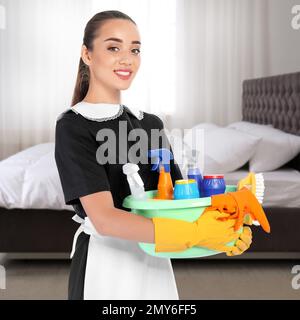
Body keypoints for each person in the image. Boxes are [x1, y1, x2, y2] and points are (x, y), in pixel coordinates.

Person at [54, 10, 252, 300]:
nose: (127, 58)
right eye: (113, 47)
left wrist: (228, 226)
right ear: (87, 54)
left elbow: (178, 204)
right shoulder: (74, 126)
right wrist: (196, 234)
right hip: (106, 267)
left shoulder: (151, 124)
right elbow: (105, 219)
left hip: (156, 261)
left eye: (135, 49)